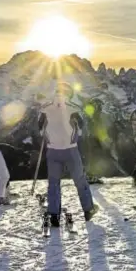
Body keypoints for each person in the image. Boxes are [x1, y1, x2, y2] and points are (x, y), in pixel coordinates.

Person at [39, 82, 99, 225]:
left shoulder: (44, 108)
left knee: (54, 183)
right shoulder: (74, 108)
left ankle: (54, 215)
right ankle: (88, 209)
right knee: (80, 180)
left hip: (52, 151)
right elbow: (81, 129)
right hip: (71, 150)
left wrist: (49, 138)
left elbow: (40, 129)